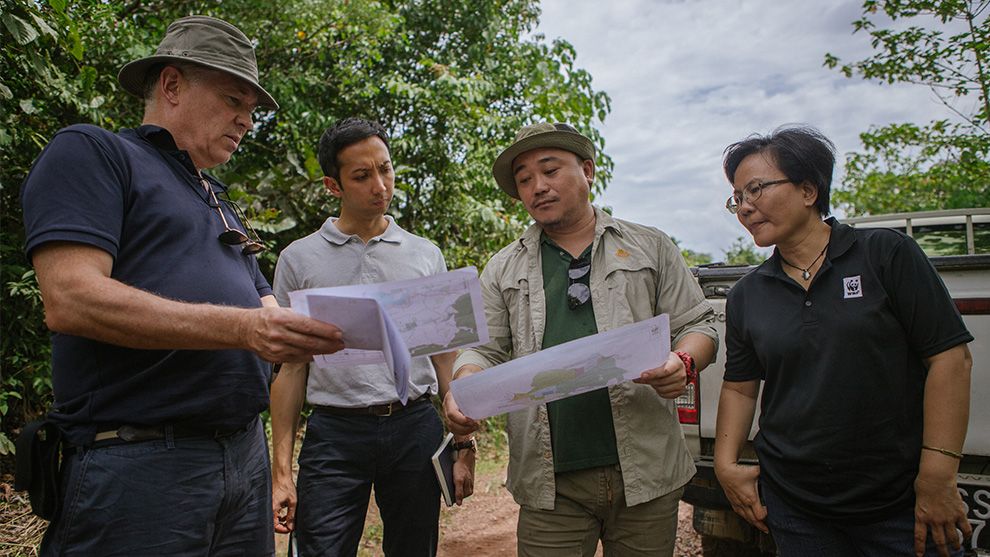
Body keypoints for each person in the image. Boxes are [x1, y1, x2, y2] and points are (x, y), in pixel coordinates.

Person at [19, 15, 345, 555]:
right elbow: (71, 298)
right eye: (232, 101)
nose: (245, 120)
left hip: (242, 457)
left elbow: (264, 308)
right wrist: (246, 328)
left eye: (251, 111)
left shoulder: (220, 200)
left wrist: (318, 330)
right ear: (171, 85)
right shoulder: (97, 153)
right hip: (140, 464)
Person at [444, 122, 718, 556]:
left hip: (645, 470)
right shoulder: (501, 268)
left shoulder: (650, 247)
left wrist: (682, 363)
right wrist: (465, 385)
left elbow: (699, 325)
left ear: (587, 170)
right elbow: (484, 347)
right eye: (524, 179)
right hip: (550, 483)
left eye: (550, 170)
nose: (538, 187)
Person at [714, 126, 974, 557]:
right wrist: (725, 466)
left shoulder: (886, 255)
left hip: (900, 502)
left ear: (809, 189)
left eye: (756, 189)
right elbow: (741, 387)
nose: (745, 207)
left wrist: (937, 474)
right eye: (737, 197)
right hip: (795, 509)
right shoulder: (748, 294)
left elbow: (951, 360)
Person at [269, 117, 476, 556]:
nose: (379, 185)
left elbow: (444, 359)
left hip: (413, 425)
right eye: (362, 176)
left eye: (385, 169)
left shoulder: (425, 255)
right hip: (334, 433)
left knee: (414, 548)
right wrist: (281, 471)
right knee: (319, 549)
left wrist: (463, 443)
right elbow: (291, 368)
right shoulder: (298, 259)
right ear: (333, 185)